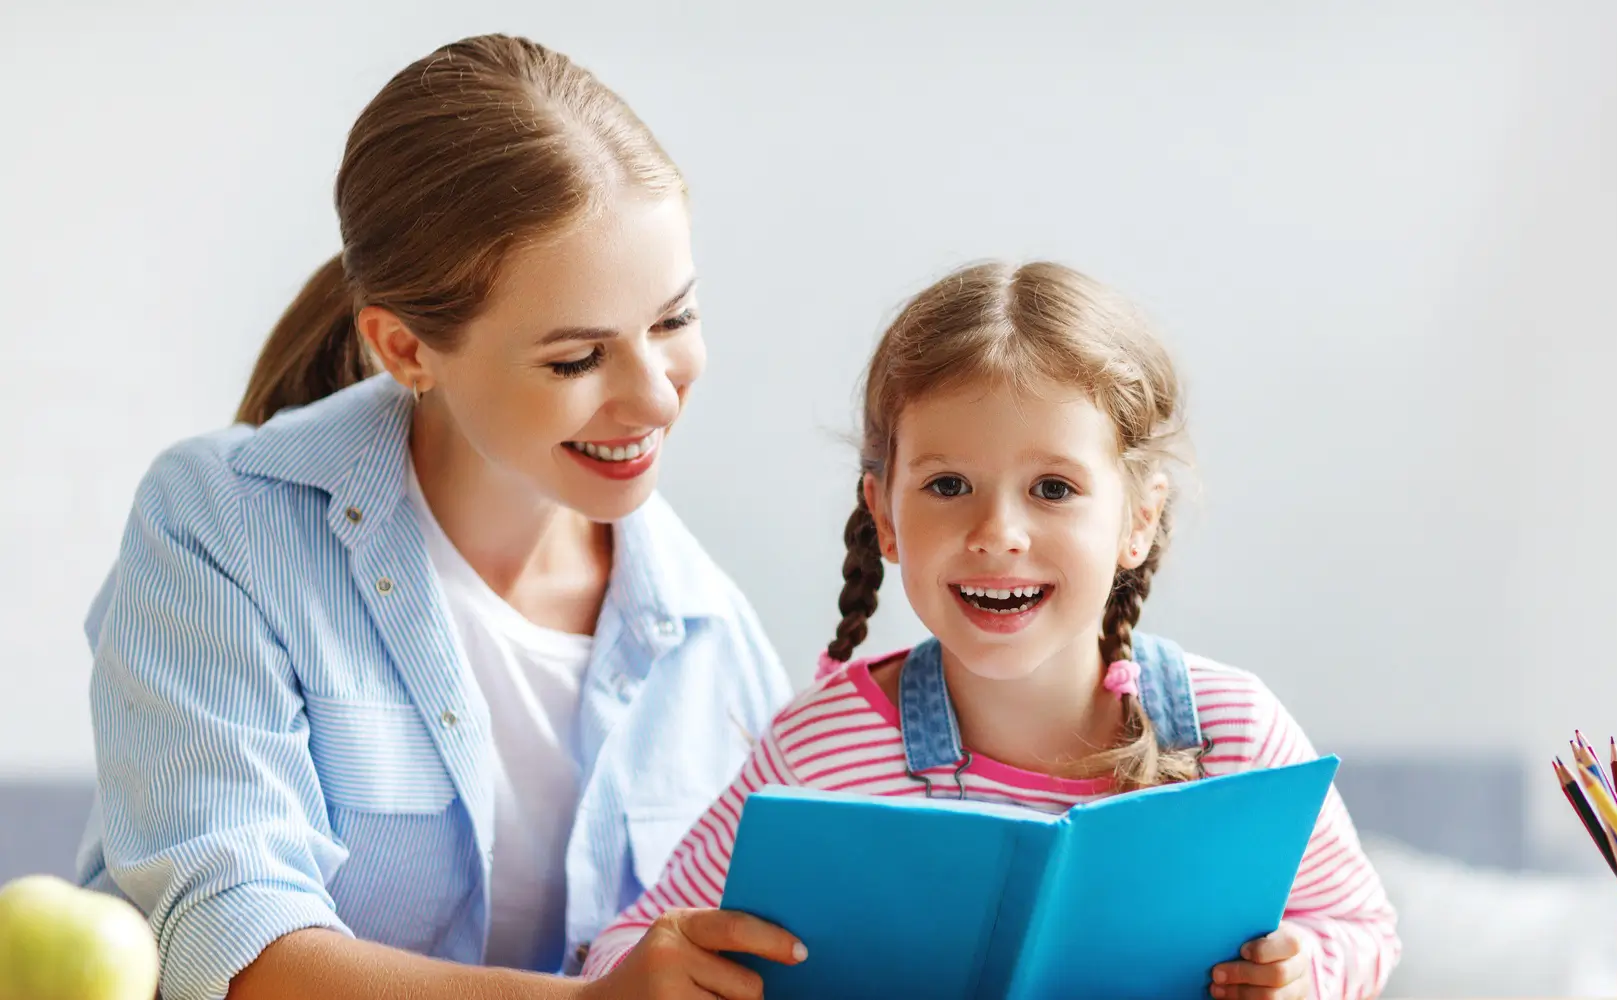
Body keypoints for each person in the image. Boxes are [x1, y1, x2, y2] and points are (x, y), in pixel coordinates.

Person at [77, 34, 806, 1000]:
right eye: (577, 359)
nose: (658, 399)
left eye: (672, 321)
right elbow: (234, 946)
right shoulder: (220, 528)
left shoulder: (712, 640)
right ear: (405, 348)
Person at [583, 261, 1401, 999]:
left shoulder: (1237, 736)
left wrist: (1302, 978)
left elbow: (1362, 930)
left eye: (1052, 488)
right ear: (885, 515)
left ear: (1139, 519)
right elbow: (628, 947)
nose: (996, 531)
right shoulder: (818, 751)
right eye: (948, 484)